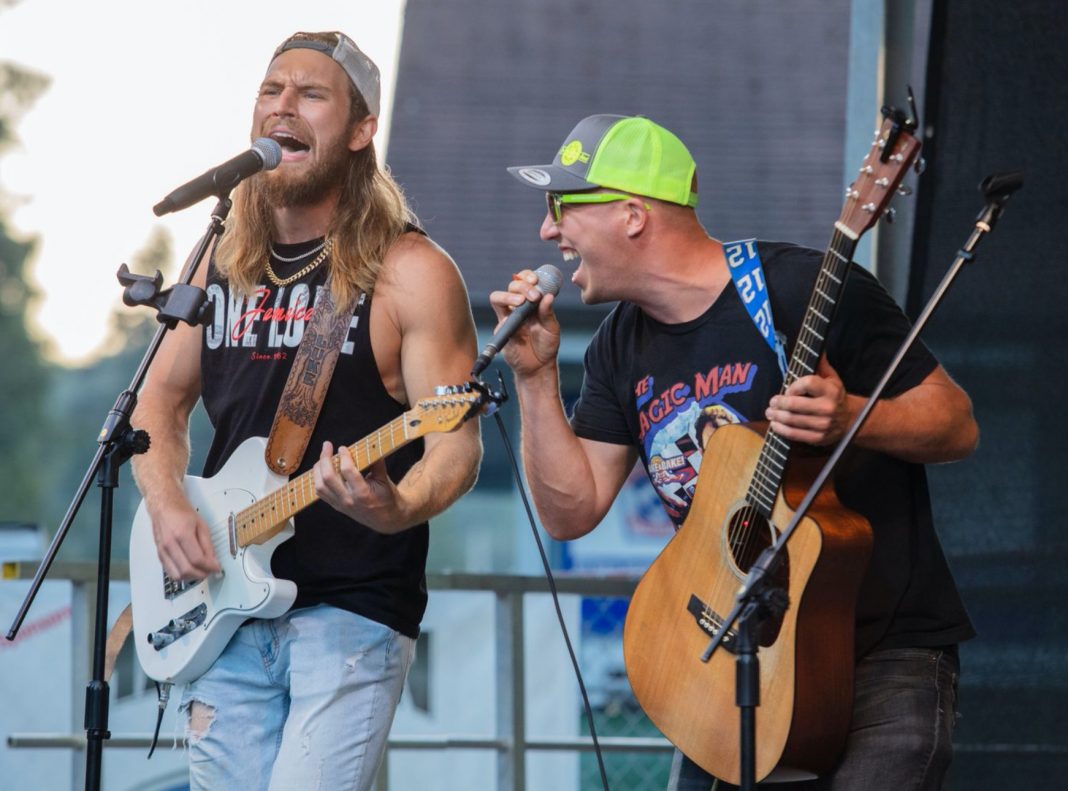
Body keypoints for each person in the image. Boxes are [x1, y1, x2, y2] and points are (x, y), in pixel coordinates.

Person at [491, 114, 978, 790]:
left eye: (561, 207)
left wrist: (850, 418)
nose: (548, 231)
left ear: (632, 215)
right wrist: (534, 377)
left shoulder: (797, 287)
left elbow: (955, 422)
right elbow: (569, 512)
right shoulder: (615, 347)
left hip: (878, 654)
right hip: (732, 663)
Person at [131, 31, 482, 791]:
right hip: (224, 600)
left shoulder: (410, 272)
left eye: (311, 94)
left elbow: (455, 445)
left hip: (351, 612)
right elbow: (155, 402)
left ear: (361, 131)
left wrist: (398, 505)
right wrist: (166, 506)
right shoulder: (220, 260)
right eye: (271, 90)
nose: (283, 105)